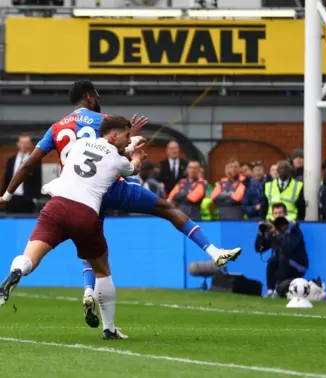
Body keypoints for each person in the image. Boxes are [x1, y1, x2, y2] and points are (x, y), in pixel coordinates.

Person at [0, 81, 241, 329]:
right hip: (107, 188)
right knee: (164, 211)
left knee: (82, 248)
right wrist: (133, 142)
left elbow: (30, 164)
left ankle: (85, 290)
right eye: (97, 93)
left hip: (68, 195)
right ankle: (213, 252)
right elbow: (124, 161)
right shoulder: (105, 122)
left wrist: (6, 196)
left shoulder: (57, 128)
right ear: (90, 97)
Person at [0, 116, 145, 340]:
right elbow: (131, 169)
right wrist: (135, 154)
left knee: (30, 257)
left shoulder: (80, 144)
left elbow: (105, 149)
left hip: (56, 207)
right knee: (102, 270)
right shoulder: (118, 160)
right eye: (125, 136)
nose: (127, 140)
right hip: (84, 213)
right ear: (114, 135)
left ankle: (15, 273)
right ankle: (109, 329)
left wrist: (130, 140)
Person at [254, 203, 308, 298]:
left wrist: (277, 234)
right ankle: (270, 290)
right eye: (275, 213)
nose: (278, 216)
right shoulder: (272, 229)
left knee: (282, 257)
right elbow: (260, 249)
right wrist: (261, 235)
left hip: (298, 264)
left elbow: (288, 248)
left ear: (285, 215)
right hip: (283, 263)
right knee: (272, 260)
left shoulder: (293, 228)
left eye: (280, 213)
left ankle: (278, 290)